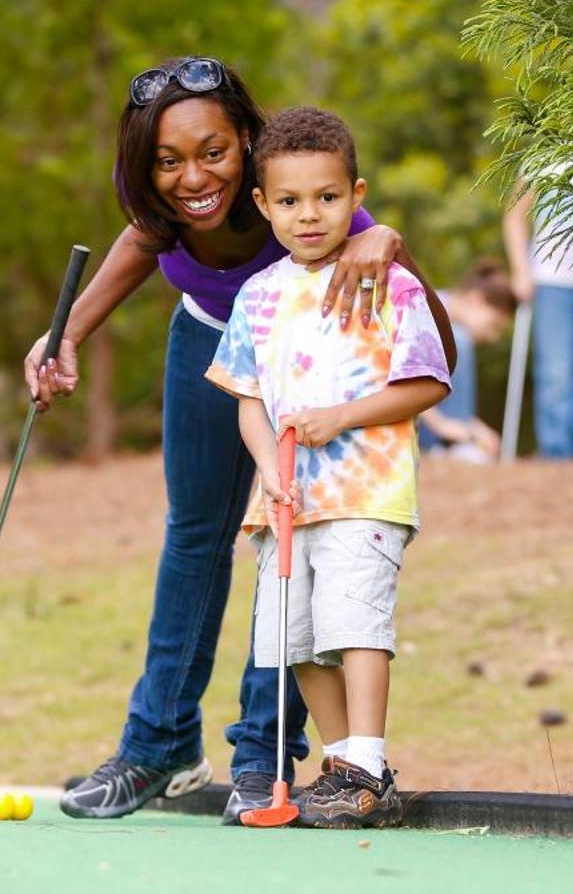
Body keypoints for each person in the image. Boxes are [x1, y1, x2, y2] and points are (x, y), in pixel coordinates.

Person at [27, 58, 453, 823]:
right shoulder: (160, 200)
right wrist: (66, 336)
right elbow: (140, 243)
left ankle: (263, 757)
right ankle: (158, 749)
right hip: (209, 344)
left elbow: (434, 343)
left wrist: (382, 235)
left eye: (213, 152)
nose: (193, 176)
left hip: (307, 370)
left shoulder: (307, 202)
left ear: (248, 144)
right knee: (194, 535)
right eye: (168, 160)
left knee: (286, 544)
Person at [207, 107, 450, 828]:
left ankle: (368, 764)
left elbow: (431, 381)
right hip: (285, 497)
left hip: (365, 489)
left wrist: (340, 417)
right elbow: (249, 400)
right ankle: (346, 770)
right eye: (288, 201)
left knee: (353, 625)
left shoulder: (389, 282)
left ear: (356, 192)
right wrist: (265, 467)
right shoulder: (257, 296)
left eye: (327, 197)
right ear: (262, 205)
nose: (308, 215)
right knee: (298, 639)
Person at [503, 169, 573, 459]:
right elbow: (515, 216)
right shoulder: (542, 160)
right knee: (556, 373)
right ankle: (556, 451)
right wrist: (520, 270)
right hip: (551, 279)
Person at [417, 259, 519, 464]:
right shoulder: (426, 310)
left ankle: (457, 443)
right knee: (459, 340)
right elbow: (404, 373)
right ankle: (449, 445)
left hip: (429, 420)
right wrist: (443, 426)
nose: (493, 337)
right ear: (475, 299)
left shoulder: (453, 325)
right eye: (494, 325)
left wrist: (474, 428)